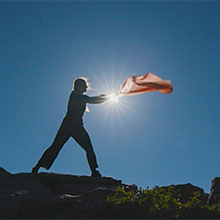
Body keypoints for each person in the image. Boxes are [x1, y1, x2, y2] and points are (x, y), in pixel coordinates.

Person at [32, 78, 108, 177]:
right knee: (56, 147)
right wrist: (105, 98)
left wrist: (103, 97)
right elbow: (91, 100)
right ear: (78, 86)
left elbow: (90, 99)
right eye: (84, 85)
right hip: (69, 126)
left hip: (76, 126)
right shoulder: (75, 96)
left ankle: (94, 170)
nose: (86, 87)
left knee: (87, 148)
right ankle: (37, 167)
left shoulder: (80, 97)